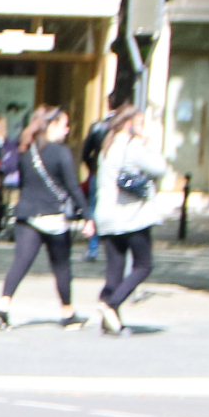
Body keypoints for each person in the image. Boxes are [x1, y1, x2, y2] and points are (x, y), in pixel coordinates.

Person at [0, 105, 87, 330]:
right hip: (53, 215)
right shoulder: (61, 152)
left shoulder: (27, 150)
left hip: (26, 213)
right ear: (53, 126)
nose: (67, 130)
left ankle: (2, 308)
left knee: (20, 264)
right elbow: (72, 187)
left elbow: (23, 182)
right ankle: (68, 313)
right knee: (62, 266)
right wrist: (87, 214)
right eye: (64, 125)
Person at [90, 107, 172, 334]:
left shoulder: (107, 146)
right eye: (140, 123)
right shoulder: (133, 146)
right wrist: (148, 145)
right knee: (143, 265)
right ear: (129, 124)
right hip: (132, 217)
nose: (142, 128)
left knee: (114, 268)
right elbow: (160, 167)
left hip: (107, 217)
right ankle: (112, 303)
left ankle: (110, 321)